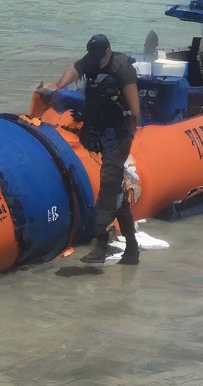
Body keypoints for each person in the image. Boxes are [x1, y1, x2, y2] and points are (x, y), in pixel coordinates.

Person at [40, 34, 142, 265]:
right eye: (92, 56)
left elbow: (134, 108)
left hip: (118, 132)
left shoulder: (121, 69)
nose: (95, 60)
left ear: (108, 51)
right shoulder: (90, 61)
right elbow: (74, 70)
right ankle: (132, 249)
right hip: (99, 129)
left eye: (98, 56)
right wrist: (57, 87)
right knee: (114, 190)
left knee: (109, 183)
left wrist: (128, 137)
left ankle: (101, 242)